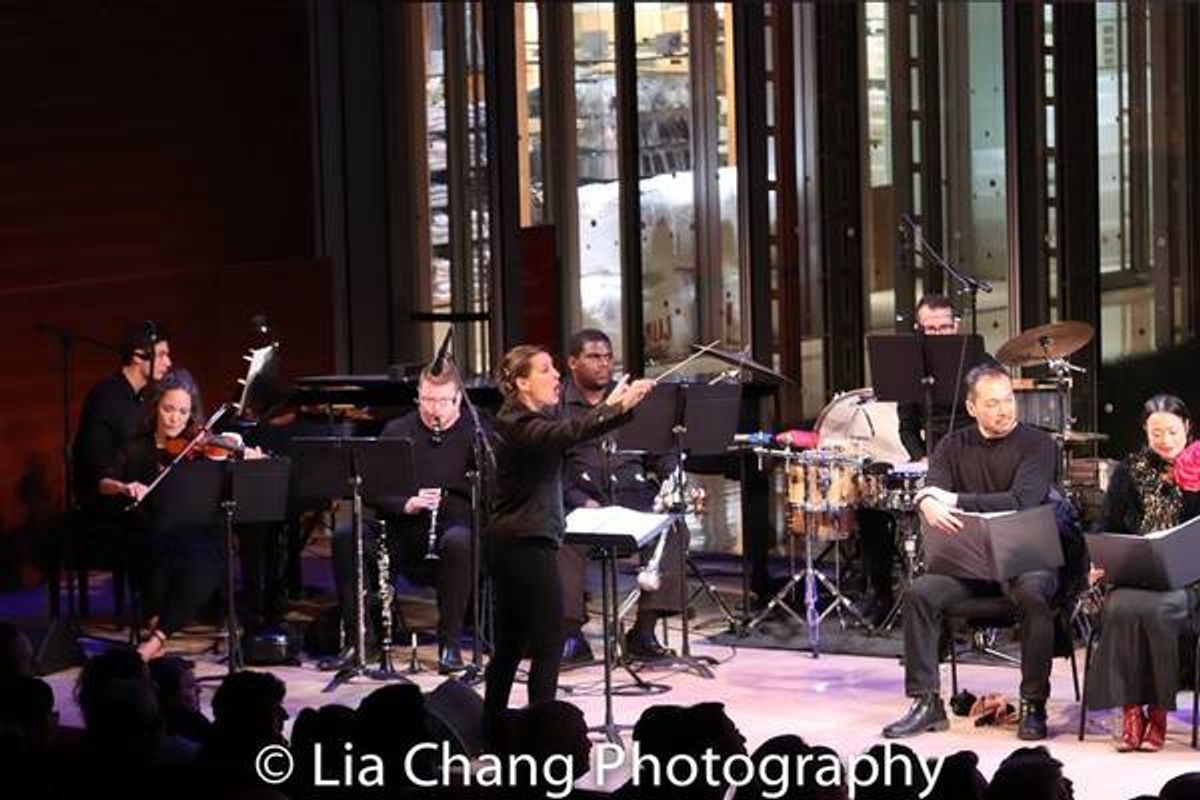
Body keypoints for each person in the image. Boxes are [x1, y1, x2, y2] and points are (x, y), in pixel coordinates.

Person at [882, 364, 1059, 740]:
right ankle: (926, 702)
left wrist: (955, 499)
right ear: (972, 406)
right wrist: (926, 499)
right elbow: (934, 489)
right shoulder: (951, 446)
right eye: (992, 403)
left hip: (1024, 562)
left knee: (1033, 595)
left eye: (1009, 400)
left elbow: (1021, 500)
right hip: (971, 567)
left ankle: (1033, 704)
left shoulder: (1039, 444)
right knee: (921, 594)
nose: (1004, 410)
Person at [484, 344, 653, 737]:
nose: (557, 375)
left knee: (511, 645)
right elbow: (569, 433)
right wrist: (618, 408)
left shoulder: (524, 418)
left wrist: (611, 405)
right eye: (546, 370)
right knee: (546, 643)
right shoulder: (521, 425)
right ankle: (543, 737)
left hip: (517, 543)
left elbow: (571, 430)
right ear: (522, 383)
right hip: (523, 545)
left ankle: (491, 728)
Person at [99, 375, 261, 659]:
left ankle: (154, 642)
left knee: (207, 562)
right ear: (155, 408)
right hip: (155, 533)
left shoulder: (200, 445)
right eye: (168, 409)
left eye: (183, 412)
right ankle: (155, 633)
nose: (175, 419)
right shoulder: (137, 447)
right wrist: (125, 486)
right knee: (152, 549)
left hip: (198, 532)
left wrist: (250, 455)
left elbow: (238, 462)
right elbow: (104, 482)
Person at [333, 361, 477, 674]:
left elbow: (493, 489)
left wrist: (454, 493)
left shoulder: (475, 432)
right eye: (427, 400)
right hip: (401, 530)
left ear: (457, 400)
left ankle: (450, 644)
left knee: (459, 542)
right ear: (418, 395)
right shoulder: (398, 430)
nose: (434, 409)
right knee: (347, 535)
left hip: (453, 529)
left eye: (442, 401)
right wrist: (407, 503)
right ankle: (361, 640)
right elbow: (372, 487)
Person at [558, 329, 683, 664]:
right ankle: (571, 634)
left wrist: (675, 478)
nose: (604, 364)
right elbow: (552, 465)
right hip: (582, 498)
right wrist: (578, 499)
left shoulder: (631, 400)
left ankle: (644, 631)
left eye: (608, 357)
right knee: (563, 536)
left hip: (633, 494)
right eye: (594, 357)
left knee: (671, 527)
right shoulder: (558, 405)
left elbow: (660, 451)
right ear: (573, 363)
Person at [1086, 394, 1200, 752]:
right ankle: (1132, 710)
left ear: (1188, 428)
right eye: (1155, 433)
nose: (1164, 440)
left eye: (1171, 431)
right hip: (1136, 575)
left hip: (1188, 579)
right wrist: (1098, 561)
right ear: (1145, 433)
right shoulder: (1129, 469)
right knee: (1120, 607)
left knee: (1158, 610)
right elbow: (1105, 525)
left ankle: (1158, 711)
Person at [858, 294, 979, 626]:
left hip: (971, 461)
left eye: (944, 328)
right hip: (931, 461)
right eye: (931, 329)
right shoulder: (911, 369)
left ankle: (962, 602)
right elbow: (907, 426)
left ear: (956, 326)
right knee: (869, 507)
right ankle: (883, 595)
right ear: (918, 330)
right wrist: (921, 458)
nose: (938, 335)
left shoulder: (978, 365)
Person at [72, 321, 172, 516]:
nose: (168, 363)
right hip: (110, 510)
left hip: (138, 501)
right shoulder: (105, 398)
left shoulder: (145, 395)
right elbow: (95, 473)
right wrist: (124, 487)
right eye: (161, 355)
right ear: (137, 356)